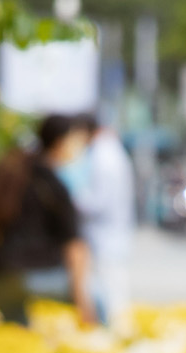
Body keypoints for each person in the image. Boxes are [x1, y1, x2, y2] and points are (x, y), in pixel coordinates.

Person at [0, 116, 95, 326]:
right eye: (78, 140)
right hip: (34, 279)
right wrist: (85, 306)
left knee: (15, 330)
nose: (81, 148)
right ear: (61, 141)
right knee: (99, 296)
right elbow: (75, 249)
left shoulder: (10, 170)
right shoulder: (54, 184)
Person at [68, 116, 136, 329]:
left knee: (112, 298)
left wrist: (71, 197)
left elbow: (99, 201)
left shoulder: (102, 156)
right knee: (113, 293)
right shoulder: (109, 152)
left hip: (105, 238)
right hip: (110, 235)